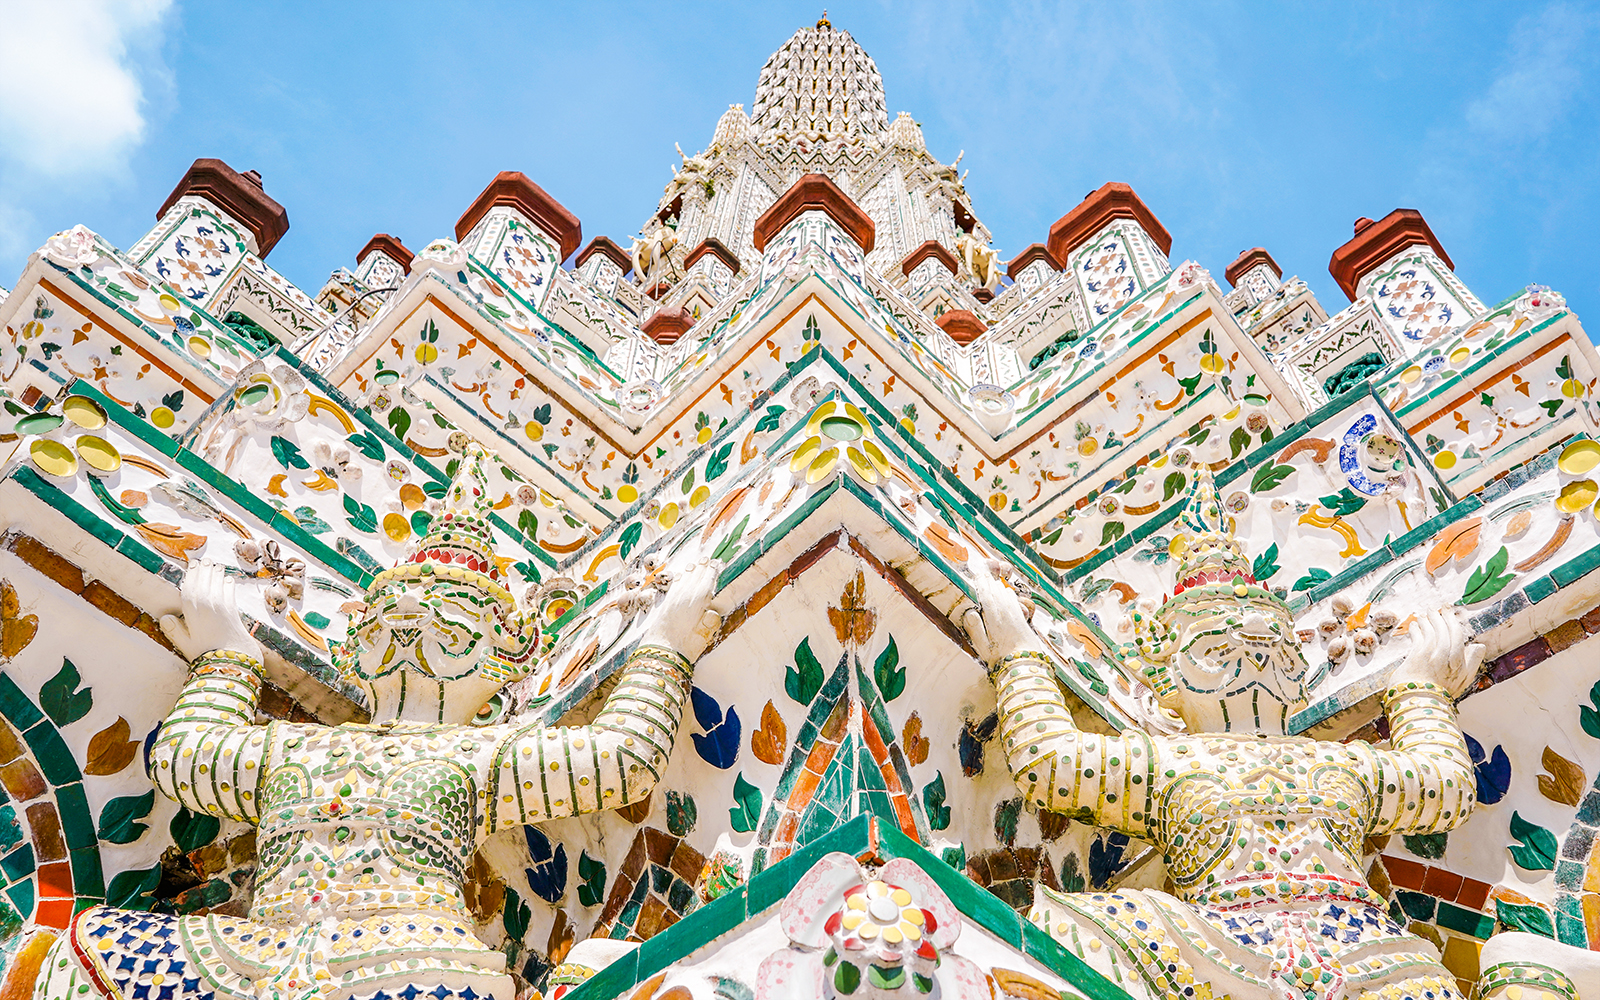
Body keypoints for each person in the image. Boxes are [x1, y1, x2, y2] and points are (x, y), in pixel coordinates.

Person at [34, 445, 724, 1000]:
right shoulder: (293, 749)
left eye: (451, 622)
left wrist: (667, 643)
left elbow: (621, 758)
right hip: (254, 957)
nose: (410, 632)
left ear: (504, 664)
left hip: (410, 962)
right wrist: (227, 656)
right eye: (391, 619)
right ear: (353, 646)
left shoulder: (484, 755)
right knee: (65, 955)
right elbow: (186, 755)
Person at [965, 466, 1485, 1000]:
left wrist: (1420, 688)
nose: (1254, 655)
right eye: (1218, 651)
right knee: (1071, 925)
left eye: (1275, 649)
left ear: (1299, 675)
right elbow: (1051, 763)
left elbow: (1445, 786)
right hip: (1221, 944)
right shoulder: (1169, 759)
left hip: (1367, 948)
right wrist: (1019, 655)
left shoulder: (1343, 762)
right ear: (1168, 681)